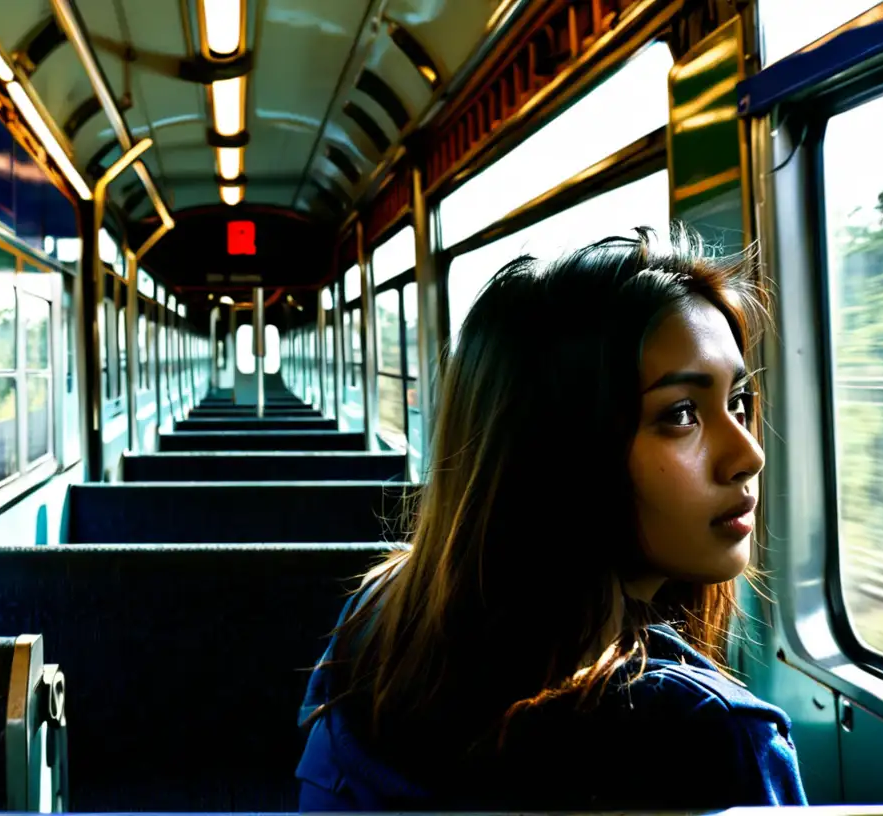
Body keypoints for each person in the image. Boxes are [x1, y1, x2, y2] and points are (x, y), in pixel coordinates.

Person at [296, 226, 807, 811]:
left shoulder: (377, 618)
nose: (749, 454)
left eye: (737, 403)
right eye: (681, 414)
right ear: (559, 452)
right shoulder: (707, 736)